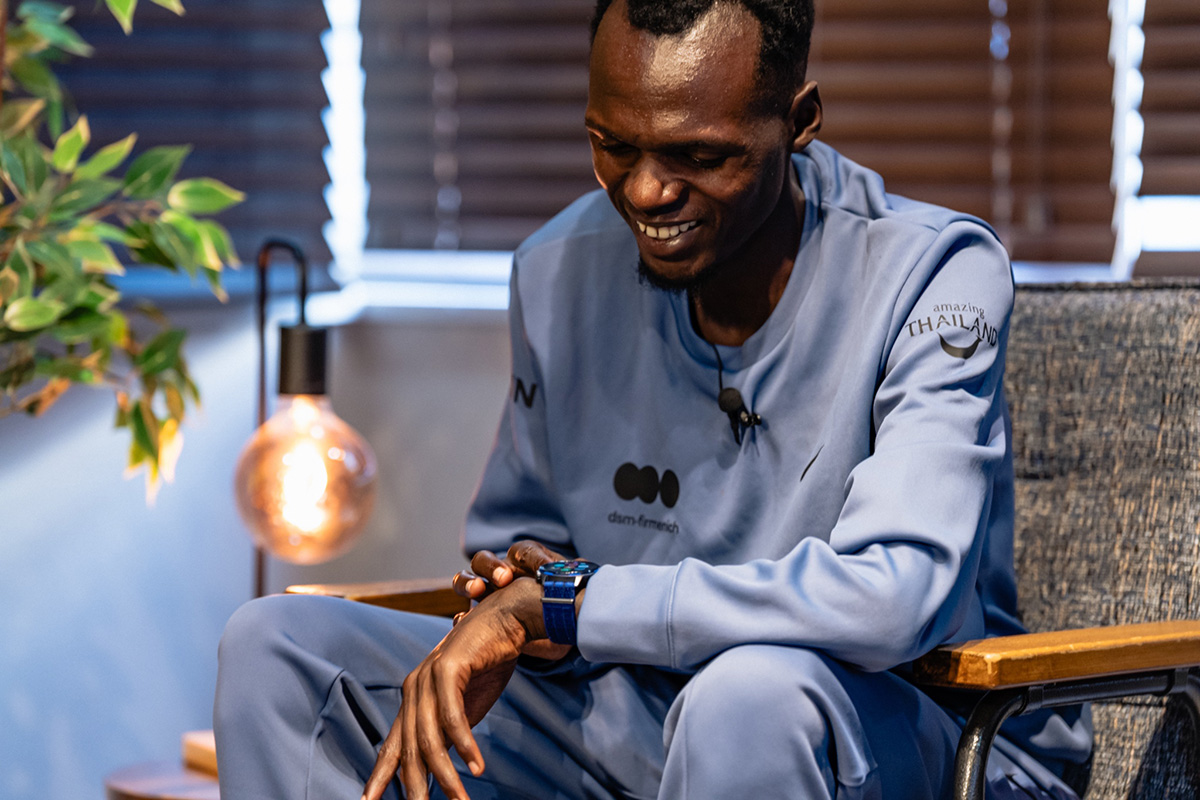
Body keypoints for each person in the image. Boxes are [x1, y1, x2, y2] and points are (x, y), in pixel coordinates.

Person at [214, 0, 1093, 797]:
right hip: (627, 713)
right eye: (613, 145)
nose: (645, 191)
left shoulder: (934, 276)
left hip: (901, 729)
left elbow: (894, 594)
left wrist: (576, 603)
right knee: (277, 649)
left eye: (699, 156)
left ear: (800, 122)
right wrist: (519, 588)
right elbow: (524, 546)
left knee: (745, 699)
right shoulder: (555, 270)